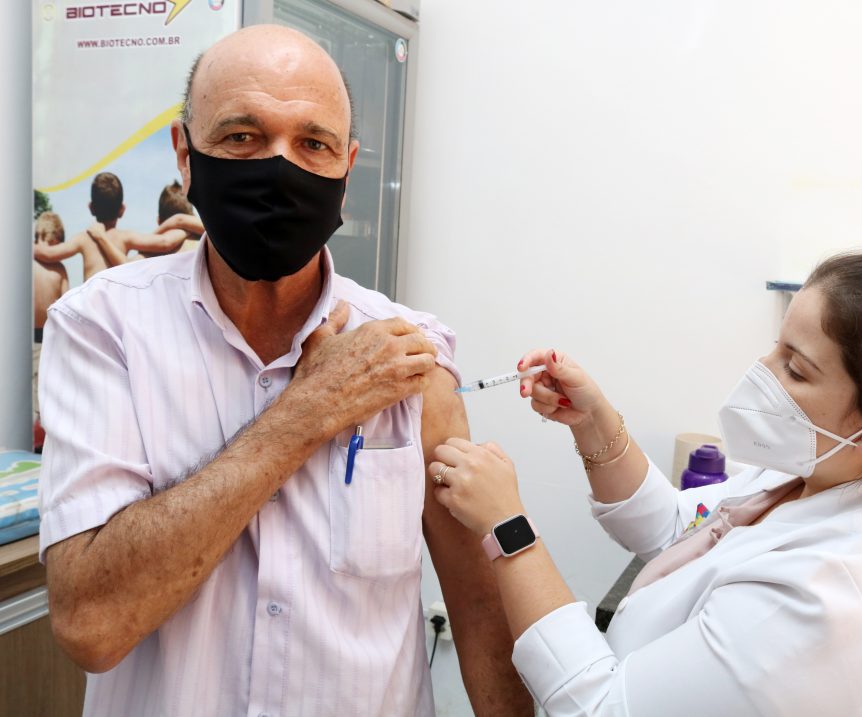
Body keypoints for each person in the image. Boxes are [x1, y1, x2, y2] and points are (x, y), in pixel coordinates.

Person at [38, 25, 531, 717]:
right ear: (185, 154)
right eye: (241, 136)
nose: (278, 167)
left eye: (313, 143)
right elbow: (90, 624)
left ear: (346, 170)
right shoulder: (102, 329)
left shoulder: (408, 357)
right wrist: (306, 412)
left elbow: (480, 613)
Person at [428, 252, 862, 715]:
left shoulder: (832, 598)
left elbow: (600, 709)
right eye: (777, 347)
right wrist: (594, 422)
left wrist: (508, 528)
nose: (762, 372)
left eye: (796, 368)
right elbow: (673, 530)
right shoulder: (827, 470)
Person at [32, 172, 132, 281]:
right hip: (121, 289)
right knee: (143, 255)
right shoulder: (127, 237)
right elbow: (150, 243)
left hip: (93, 293)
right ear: (122, 210)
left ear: (91, 208)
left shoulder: (84, 238)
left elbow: (48, 254)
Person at [89, 180, 203, 264]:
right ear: (193, 216)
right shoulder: (207, 236)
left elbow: (125, 267)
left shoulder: (153, 252)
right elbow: (180, 220)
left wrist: (101, 237)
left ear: (159, 221)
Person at [31, 211, 69, 443]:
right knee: (44, 397)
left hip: (30, 338)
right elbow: (66, 306)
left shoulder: (24, 263)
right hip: (48, 340)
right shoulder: (59, 270)